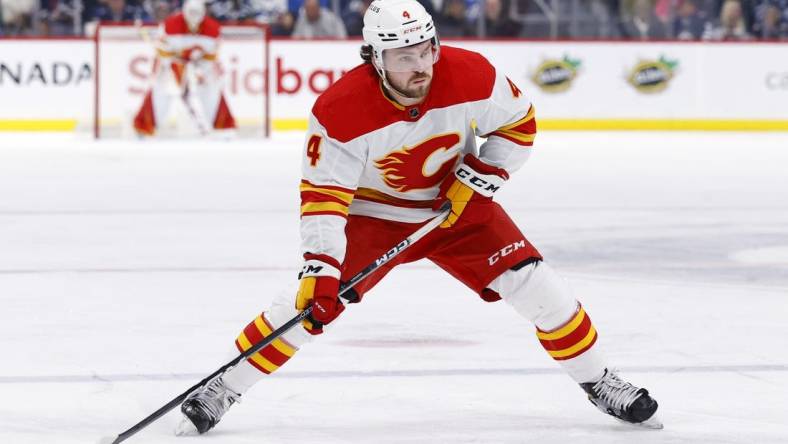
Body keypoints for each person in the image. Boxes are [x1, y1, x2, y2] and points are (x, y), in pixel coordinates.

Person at [175, 0, 662, 436]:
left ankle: (599, 381)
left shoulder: (472, 74)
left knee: (540, 287)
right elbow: (324, 199)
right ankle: (224, 387)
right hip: (376, 216)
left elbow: (519, 124)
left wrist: (477, 180)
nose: (421, 66)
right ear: (373, 58)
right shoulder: (339, 111)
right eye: (403, 57)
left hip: (457, 209)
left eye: (425, 50)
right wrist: (322, 269)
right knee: (304, 306)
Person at [133, 0, 236, 136]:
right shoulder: (170, 25)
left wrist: (199, 68)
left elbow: (211, 56)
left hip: (200, 65)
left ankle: (222, 127)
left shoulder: (213, 28)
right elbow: (162, 52)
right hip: (171, 65)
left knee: (212, 88)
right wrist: (178, 61)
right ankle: (145, 128)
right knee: (162, 90)